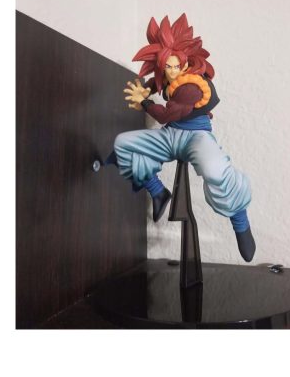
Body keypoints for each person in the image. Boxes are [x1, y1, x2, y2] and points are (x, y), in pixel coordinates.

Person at [107, 13, 256, 262]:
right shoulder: (167, 78)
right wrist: (145, 89)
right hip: (171, 136)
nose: (173, 71)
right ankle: (158, 191)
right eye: (168, 67)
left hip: (197, 136)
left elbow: (165, 114)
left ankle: (239, 219)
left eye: (177, 66)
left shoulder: (192, 86)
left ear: (186, 63)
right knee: (124, 144)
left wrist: (144, 102)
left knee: (214, 170)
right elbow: (157, 84)